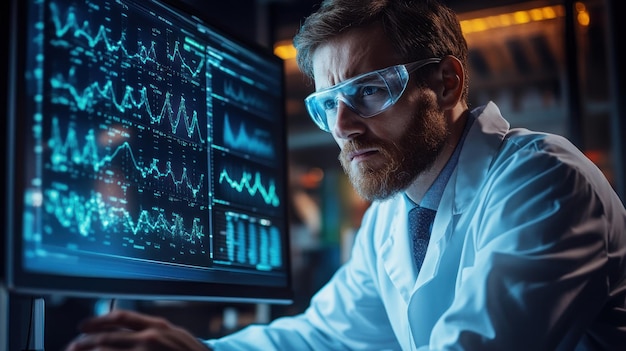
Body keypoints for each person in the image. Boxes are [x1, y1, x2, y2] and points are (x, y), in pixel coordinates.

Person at [65, 0, 626, 350]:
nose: (344, 128)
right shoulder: (392, 216)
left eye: (369, 91)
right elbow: (324, 336)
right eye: (327, 104)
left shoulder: (544, 180)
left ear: (449, 84)